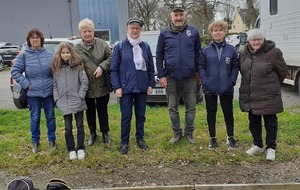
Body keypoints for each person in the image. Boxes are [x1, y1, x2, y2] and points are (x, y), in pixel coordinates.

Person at [239, 29, 288, 161]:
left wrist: (272, 85)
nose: (256, 42)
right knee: (254, 121)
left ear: (264, 39)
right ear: (249, 41)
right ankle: (257, 144)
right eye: (253, 40)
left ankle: (271, 147)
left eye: (259, 39)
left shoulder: (274, 52)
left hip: (268, 95)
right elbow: (242, 70)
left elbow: (283, 71)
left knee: (270, 122)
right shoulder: (244, 53)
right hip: (251, 94)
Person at [156, 4, 201, 144]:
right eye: (176, 15)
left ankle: (189, 133)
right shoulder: (164, 33)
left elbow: (198, 53)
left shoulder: (193, 32)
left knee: (191, 107)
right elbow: (159, 55)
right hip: (171, 77)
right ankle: (176, 133)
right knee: (172, 107)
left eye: (181, 14)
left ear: (185, 15)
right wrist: (162, 75)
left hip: (189, 77)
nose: (178, 17)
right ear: (171, 16)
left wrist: (198, 72)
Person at [110, 18, 155, 155]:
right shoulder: (120, 46)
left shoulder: (145, 46)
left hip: (141, 87)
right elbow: (113, 69)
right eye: (132, 28)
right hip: (125, 89)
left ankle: (140, 139)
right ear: (127, 29)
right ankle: (124, 142)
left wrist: (151, 84)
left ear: (140, 30)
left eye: (137, 28)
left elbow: (151, 68)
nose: (134, 30)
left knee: (141, 115)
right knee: (126, 116)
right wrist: (117, 86)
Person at [11, 28, 56, 153]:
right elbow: (14, 72)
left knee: (51, 117)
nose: (35, 40)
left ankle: (52, 140)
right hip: (33, 93)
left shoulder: (49, 54)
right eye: (33, 38)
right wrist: (27, 84)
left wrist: (54, 84)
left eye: (37, 37)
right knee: (35, 117)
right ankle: (35, 142)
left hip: (49, 92)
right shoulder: (23, 55)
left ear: (41, 39)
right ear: (29, 40)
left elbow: (55, 71)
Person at [198, 20, 239, 150]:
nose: (218, 32)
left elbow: (235, 66)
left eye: (220, 30)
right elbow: (201, 66)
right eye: (215, 30)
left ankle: (230, 137)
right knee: (211, 112)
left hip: (227, 87)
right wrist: (205, 81)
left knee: (228, 112)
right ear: (211, 33)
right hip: (210, 87)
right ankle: (212, 138)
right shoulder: (205, 50)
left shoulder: (231, 49)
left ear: (225, 32)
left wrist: (232, 81)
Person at [74, 18, 113, 146]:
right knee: (89, 111)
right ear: (81, 33)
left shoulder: (102, 44)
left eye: (89, 31)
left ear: (93, 31)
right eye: (84, 31)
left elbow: (112, 57)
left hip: (102, 84)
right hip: (86, 86)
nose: (87, 34)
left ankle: (105, 133)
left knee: (102, 110)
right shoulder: (77, 48)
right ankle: (92, 133)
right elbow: (73, 64)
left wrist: (102, 67)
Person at [52, 42, 89, 160]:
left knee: (80, 126)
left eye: (67, 52)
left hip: (77, 99)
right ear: (59, 54)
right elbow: (54, 85)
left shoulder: (78, 66)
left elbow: (84, 81)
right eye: (63, 53)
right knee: (68, 127)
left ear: (71, 53)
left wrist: (81, 95)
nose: (65, 55)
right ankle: (71, 149)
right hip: (64, 101)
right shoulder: (56, 68)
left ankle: (81, 147)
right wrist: (57, 99)